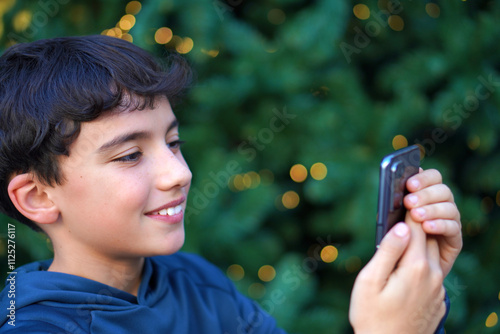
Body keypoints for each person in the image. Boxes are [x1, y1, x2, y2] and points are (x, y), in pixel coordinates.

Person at [0, 35, 462, 333]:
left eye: (174, 141)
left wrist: (414, 294)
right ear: (38, 196)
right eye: (130, 155)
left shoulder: (195, 282)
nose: (179, 173)